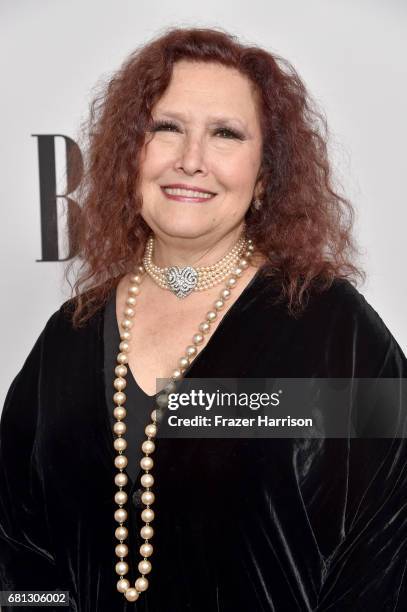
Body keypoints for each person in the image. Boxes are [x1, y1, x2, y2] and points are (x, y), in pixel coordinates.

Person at [0, 26, 406, 612]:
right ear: (129, 156)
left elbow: (389, 540)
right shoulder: (70, 336)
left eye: (225, 134)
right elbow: (17, 551)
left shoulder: (331, 330)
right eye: (166, 128)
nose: (191, 160)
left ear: (265, 175)